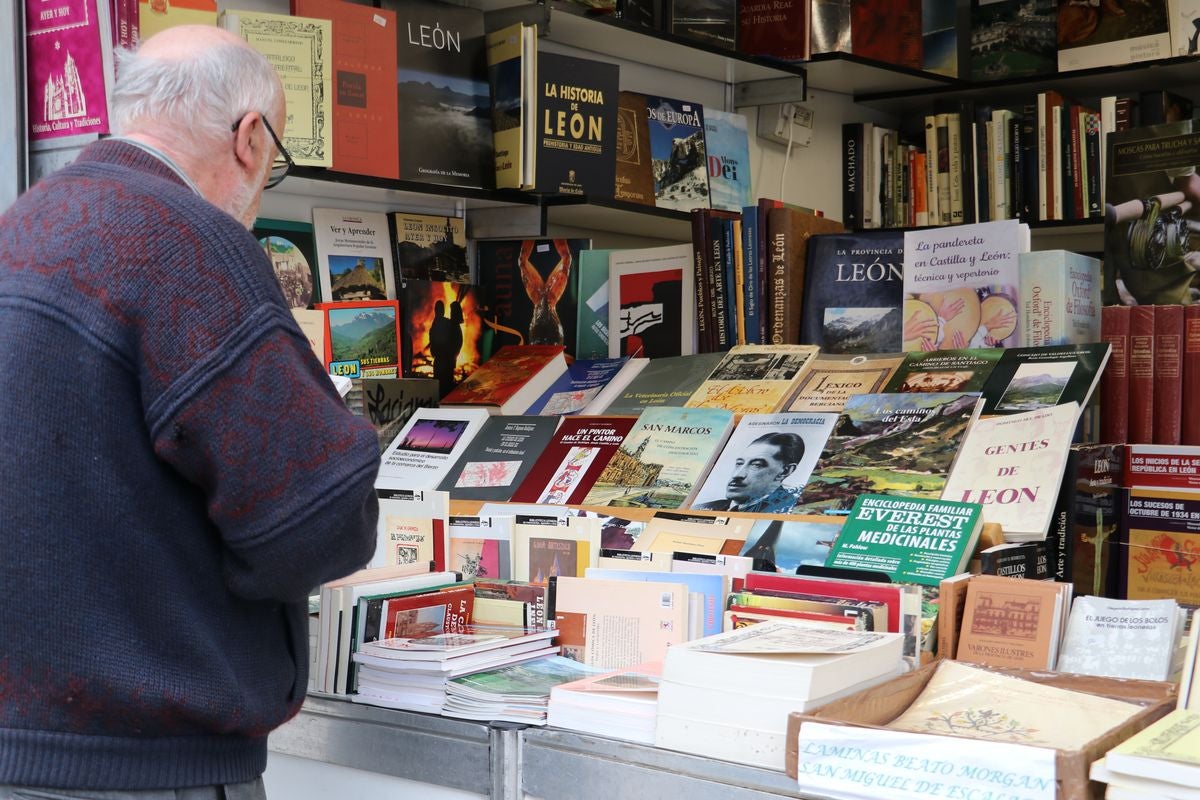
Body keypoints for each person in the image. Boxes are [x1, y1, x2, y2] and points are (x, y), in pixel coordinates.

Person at [0, 25, 379, 799]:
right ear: (249, 138)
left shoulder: (19, 228)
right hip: (150, 765)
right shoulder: (193, 249)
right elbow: (319, 519)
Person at [694, 432, 804, 513]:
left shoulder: (786, 509)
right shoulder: (704, 507)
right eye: (739, 463)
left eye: (756, 465)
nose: (737, 475)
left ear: (785, 471)